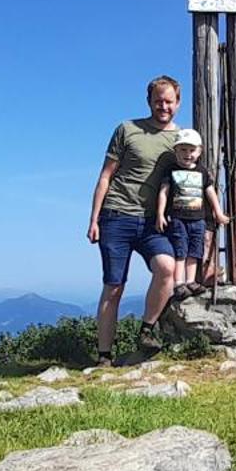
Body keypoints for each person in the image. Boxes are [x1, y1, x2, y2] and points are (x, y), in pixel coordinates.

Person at [86, 74, 182, 364]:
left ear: (178, 103)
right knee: (114, 287)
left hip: (153, 221)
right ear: (149, 102)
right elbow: (106, 175)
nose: (163, 107)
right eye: (158, 101)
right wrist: (93, 219)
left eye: (168, 101)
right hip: (116, 215)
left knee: (167, 268)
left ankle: (147, 330)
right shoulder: (127, 129)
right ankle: (104, 356)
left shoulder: (182, 139)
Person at [154, 129, 229, 299]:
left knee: (195, 252)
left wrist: (218, 212)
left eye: (191, 150)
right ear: (176, 151)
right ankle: (179, 283)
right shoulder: (171, 170)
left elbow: (211, 193)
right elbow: (163, 192)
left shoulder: (201, 171)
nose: (187, 154)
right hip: (178, 218)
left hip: (198, 219)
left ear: (200, 151)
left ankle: (190, 281)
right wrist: (160, 214)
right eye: (183, 150)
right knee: (180, 251)